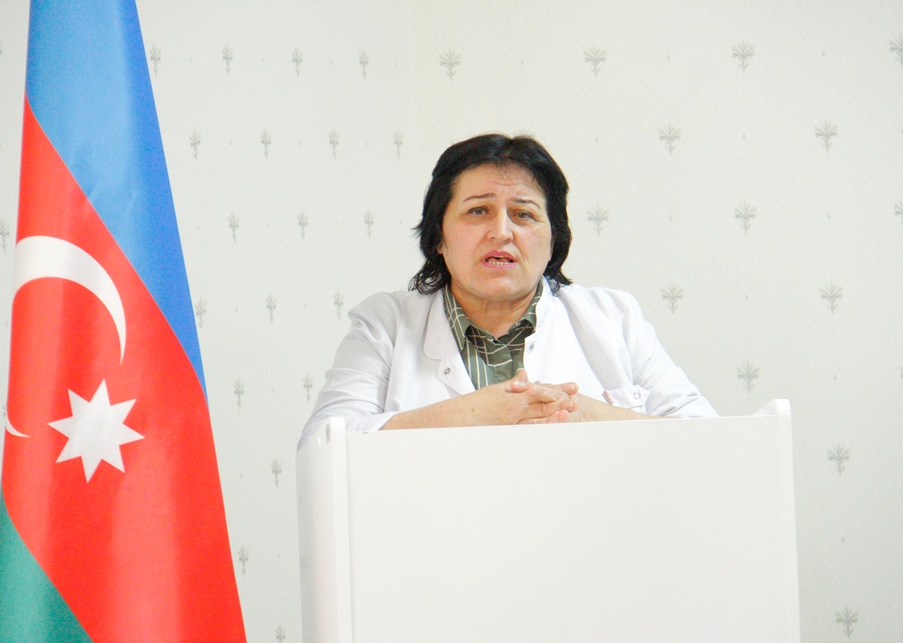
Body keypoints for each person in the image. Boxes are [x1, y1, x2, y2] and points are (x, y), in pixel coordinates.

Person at [301, 134, 716, 443]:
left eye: (523, 214)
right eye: (478, 211)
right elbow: (322, 443)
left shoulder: (615, 317)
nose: (501, 232)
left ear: (553, 239)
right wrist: (472, 414)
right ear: (438, 236)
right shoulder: (385, 325)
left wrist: (585, 414)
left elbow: (709, 438)